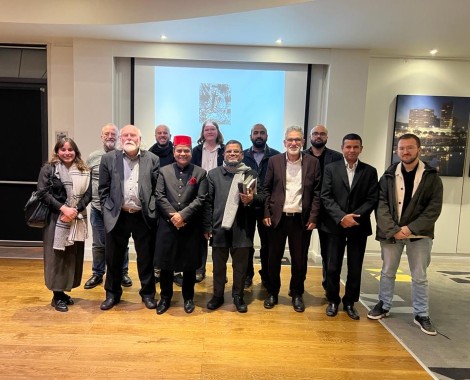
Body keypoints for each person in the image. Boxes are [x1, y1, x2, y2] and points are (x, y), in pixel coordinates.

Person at [368, 133, 443, 336]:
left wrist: (409, 229)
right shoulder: (389, 175)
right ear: (397, 150)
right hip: (391, 233)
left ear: (419, 150)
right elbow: (381, 204)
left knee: (419, 276)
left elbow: (433, 209)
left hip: (419, 235)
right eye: (401, 148)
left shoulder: (431, 177)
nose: (405, 152)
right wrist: (394, 229)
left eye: (410, 148)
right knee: (387, 272)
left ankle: (421, 314)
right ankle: (383, 305)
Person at [98, 124, 159, 311]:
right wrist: (108, 211)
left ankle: (148, 294)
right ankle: (112, 294)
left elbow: (157, 189)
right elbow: (103, 190)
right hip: (118, 216)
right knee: (113, 258)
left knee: (146, 257)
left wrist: (152, 209)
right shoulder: (109, 159)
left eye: (133, 135)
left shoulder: (152, 159)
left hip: (143, 216)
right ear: (120, 139)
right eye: (125, 135)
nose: (129, 138)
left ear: (140, 139)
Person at [263, 126, 321, 312]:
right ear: (284, 142)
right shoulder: (274, 161)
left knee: (299, 260)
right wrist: (265, 213)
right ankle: (272, 292)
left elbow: (317, 193)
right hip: (277, 219)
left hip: (301, 220)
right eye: (290, 140)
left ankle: (297, 293)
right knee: (273, 259)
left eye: (297, 140)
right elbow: (266, 189)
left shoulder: (312, 163)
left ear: (303, 142)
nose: (294, 143)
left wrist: (313, 216)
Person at [321, 133, 378, 320]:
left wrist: (353, 218)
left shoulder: (370, 171)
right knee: (332, 266)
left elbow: (372, 199)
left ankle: (350, 302)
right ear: (342, 148)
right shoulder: (330, 169)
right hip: (334, 226)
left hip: (358, 226)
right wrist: (341, 217)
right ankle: (332, 300)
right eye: (348, 147)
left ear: (361, 148)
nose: (352, 150)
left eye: (355, 147)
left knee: (355, 267)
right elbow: (326, 196)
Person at [204, 140, 263, 313]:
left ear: (242, 155)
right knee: (218, 266)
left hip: (243, 228)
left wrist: (252, 199)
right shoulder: (213, 174)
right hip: (219, 227)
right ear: (224, 154)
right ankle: (218, 295)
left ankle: (238, 296)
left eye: (236, 152)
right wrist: (207, 226)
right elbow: (208, 202)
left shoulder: (250, 174)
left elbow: (263, 197)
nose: (232, 154)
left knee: (240, 266)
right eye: (229, 151)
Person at [154, 135, 208, 315]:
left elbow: (201, 199)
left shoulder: (200, 173)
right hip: (167, 225)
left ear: (191, 152)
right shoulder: (164, 171)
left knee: (189, 265)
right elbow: (159, 196)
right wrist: (174, 217)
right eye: (179, 150)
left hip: (190, 225)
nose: (182, 154)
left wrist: (183, 216)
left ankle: (188, 298)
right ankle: (165, 298)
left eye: (186, 150)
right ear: (174, 151)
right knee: (166, 264)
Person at [38, 138, 92, 312]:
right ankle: (57, 295)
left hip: (76, 218)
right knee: (57, 257)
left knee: (72, 256)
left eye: (70, 149)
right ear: (57, 151)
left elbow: (89, 193)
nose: (67, 153)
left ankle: (64, 291)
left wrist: (74, 210)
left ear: (76, 151)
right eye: (63, 149)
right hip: (56, 219)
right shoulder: (50, 169)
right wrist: (63, 209)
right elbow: (42, 192)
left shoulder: (84, 170)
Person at [84, 123, 132, 290]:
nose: (110, 136)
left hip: (117, 210)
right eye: (107, 134)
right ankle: (97, 273)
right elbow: (87, 182)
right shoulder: (92, 157)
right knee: (98, 244)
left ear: (118, 137)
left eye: (113, 134)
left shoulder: (123, 156)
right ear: (101, 136)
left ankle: (123, 272)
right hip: (97, 208)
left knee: (121, 242)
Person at [303, 124, 343, 291]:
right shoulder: (301, 156)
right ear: (310, 137)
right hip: (306, 212)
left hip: (329, 213)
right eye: (315, 134)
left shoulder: (337, 157)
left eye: (322, 134)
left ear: (327, 137)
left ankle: (330, 288)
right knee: (300, 254)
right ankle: (298, 288)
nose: (318, 136)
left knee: (329, 255)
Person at [242, 123, 280, 288]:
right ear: (250, 136)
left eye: (262, 133)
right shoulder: (242, 156)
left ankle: (266, 276)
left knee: (267, 245)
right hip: (246, 207)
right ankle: (247, 275)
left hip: (268, 208)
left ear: (267, 136)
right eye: (256, 133)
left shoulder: (276, 156)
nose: (259, 135)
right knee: (246, 244)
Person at [191, 119, 225, 283]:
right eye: (207, 129)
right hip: (200, 194)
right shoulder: (196, 151)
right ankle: (199, 269)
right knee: (200, 235)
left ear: (217, 132)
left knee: (219, 235)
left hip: (220, 195)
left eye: (213, 129)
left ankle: (220, 272)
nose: (210, 132)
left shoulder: (225, 150)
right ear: (203, 133)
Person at [148, 124, 175, 284]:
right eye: (159, 133)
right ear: (155, 135)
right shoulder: (150, 154)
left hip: (175, 202)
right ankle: (157, 269)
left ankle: (175, 269)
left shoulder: (176, 151)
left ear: (170, 136)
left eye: (165, 133)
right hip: (156, 202)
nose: (162, 135)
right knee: (158, 239)